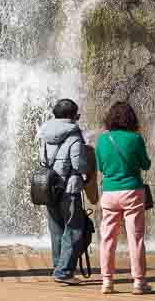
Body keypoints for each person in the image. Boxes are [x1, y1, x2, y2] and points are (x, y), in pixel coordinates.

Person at [95, 100, 151, 295]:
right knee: (135, 238)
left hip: (109, 193)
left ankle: (107, 282)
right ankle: (138, 282)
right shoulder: (135, 139)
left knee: (107, 238)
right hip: (132, 192)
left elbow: (100, 167)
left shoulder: (102, 140)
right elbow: (146, 165)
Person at [37, 98, 89, 286]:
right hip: (69, 188)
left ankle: (58, 267)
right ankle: (65, 271)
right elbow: (79, 164)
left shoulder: (44, 133)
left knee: (56, 229)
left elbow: (42, 160)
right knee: (74, 228)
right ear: (71, 116)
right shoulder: (74, 134)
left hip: (49, 187)